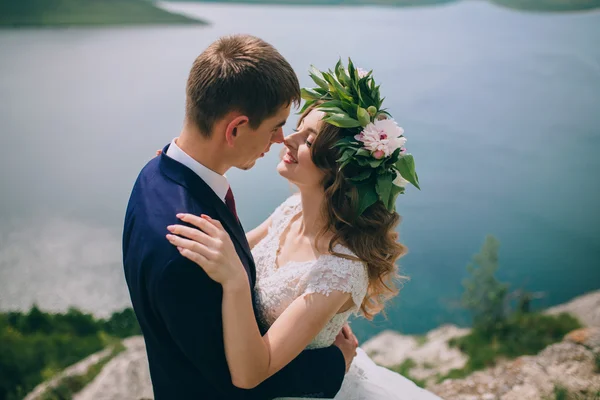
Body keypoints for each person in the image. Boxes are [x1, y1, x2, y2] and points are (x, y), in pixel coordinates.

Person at [167, 60, 442, 399]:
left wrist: (236, 283)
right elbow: (226, 250)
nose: (286, 139)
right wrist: (180, 175)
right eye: (298, 128)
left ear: (339, 172)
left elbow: (251, 373)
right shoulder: (291, 209)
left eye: (308, 141)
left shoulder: (338, 270)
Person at [122, 35, 358, 400]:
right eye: (275, 126)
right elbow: (235, 382)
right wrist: (333, 364)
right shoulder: (185, 252)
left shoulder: (153, 174)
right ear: (235, 129)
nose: (281, 139)